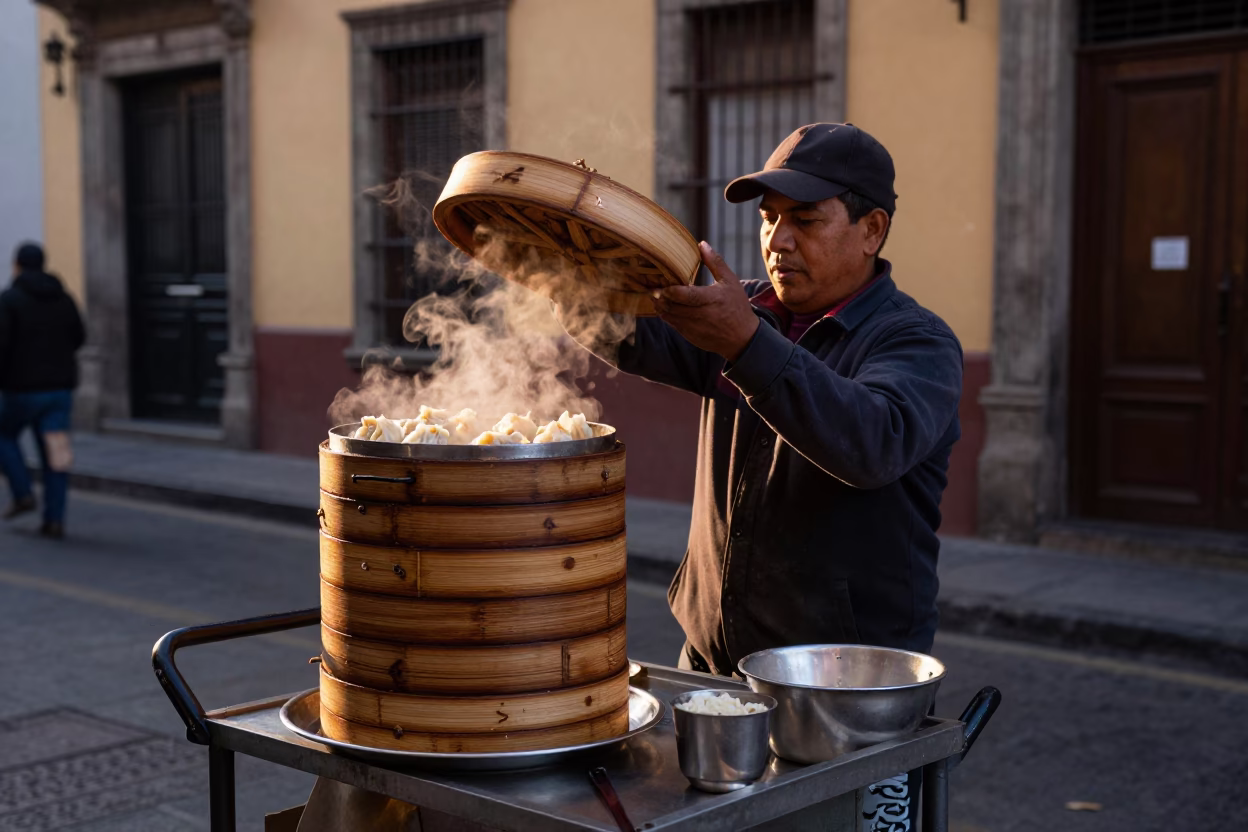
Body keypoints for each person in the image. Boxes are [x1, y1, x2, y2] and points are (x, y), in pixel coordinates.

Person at [560, 124, 963, 829]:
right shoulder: (745, 309)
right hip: (717, 669)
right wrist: (557, 259)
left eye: (804, 220)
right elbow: (628, 332)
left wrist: (747, 344)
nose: (778, 241)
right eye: (768, 219)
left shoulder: (915, 340)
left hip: (847, 697)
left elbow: (873, 442)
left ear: (872, 230)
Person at [0, 242, 86, 539]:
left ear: (17, 265)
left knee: (4, 435)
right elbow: (79, 337)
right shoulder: (65, 299)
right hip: (60, 389)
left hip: (21, 388)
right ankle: (55, 519)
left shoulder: (10, 300)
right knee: (56, 452)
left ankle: (23, 492)